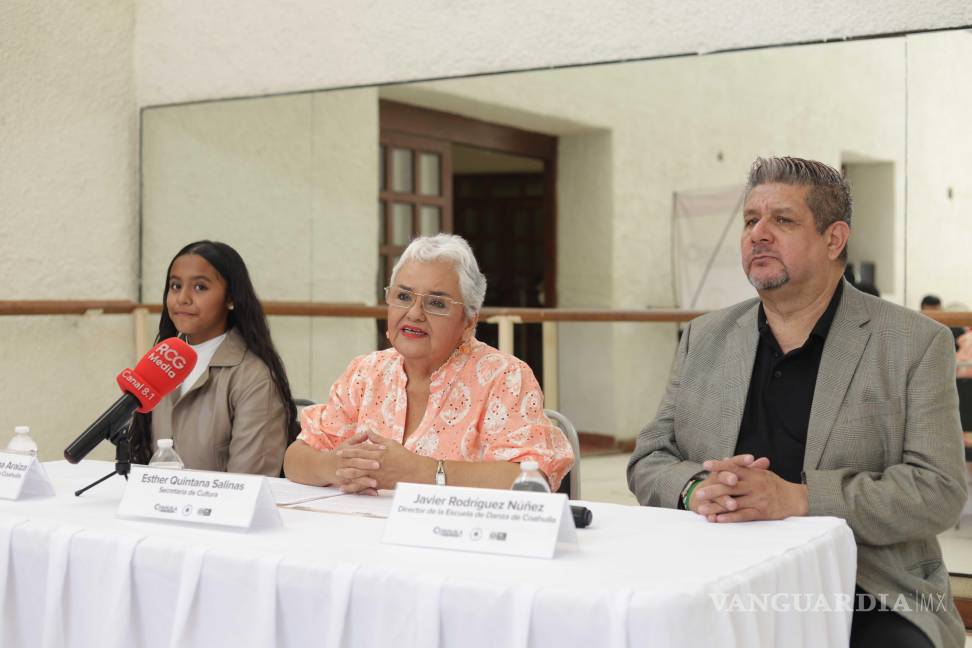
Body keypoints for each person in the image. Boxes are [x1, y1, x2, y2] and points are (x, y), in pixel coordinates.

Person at [627, 157, 966, 648]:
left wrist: (797, 499)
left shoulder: (913, 343)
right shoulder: (705, 336)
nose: (758, 234)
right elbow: (649, 457)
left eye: (782, 220)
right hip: (712, 573)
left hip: (862, 584)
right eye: (750, 221)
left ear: (834, 239)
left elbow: (938, 491)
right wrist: (695, 488)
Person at [284, 234, 573, 492]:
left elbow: (531, 480)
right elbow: (296, 458)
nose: (414, 314)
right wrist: (335, 466)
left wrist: (422, 472)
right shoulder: (366, 373)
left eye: (436, 303)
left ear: (469, 321)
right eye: (403, 296)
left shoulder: (504, 377)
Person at [130, 240, 298, 476]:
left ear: (231, 299)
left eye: (199, 287)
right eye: (175, 286)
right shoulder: (161, 363)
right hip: (161, 505)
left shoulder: (254, 376)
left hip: (220, 509)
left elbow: (248, 481)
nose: (183, 298)